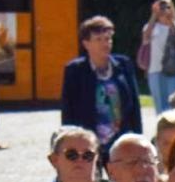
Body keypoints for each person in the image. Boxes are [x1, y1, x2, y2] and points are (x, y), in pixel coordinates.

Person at [60, 15, 142, 158]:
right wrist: (70, 144)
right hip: (89, 142)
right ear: (86, 43)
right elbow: (68, 110)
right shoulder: (74, 70)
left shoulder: (123, 65)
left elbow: (134, 105)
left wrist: (138, 139)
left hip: (120, 140)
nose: (105, 43)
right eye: (99, 39)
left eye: (108, 39)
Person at [138, 0, 175, 114]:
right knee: (161, 106)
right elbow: (145, 37)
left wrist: (170, 20)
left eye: (168, 7)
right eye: (162, 7)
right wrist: (154, 14)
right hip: (156, 70)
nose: (164, 10)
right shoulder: (151, 27)